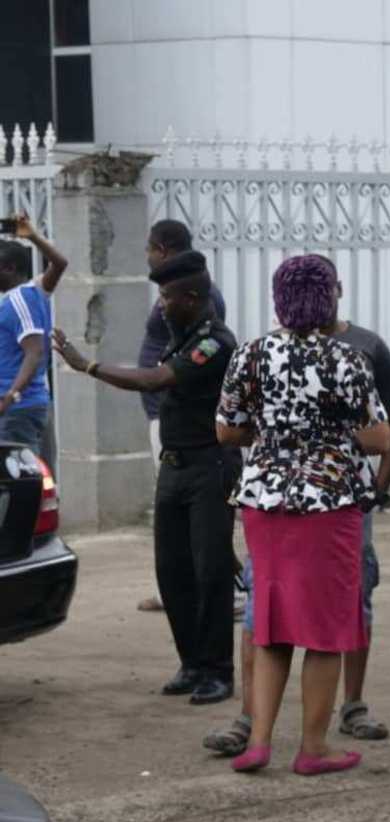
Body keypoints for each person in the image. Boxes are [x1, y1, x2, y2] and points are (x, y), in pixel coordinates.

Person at [202, 257, 390, 755]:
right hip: (329, 503)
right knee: (326, 630)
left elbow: (226, 431)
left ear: (278, 300)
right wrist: (328, 435)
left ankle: (259, 743)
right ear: (330, 298)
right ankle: (313, 750)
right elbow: (380, 438)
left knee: (269, 623)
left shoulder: (250, 354)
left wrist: (274, 434)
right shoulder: (346, 358)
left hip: (265, 505)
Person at [53, 251, 238, 705]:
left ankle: (217, 671)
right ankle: (191, 662)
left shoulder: (214, 342)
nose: (160, 305)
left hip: (209, 468)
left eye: (168, 296)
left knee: (210, 571)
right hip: (175, 468)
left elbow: (156, 380)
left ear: (192, 298)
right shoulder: (184, 334)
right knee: (172, 571)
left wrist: (88, 366)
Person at [136, 220, 227, 613]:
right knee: (174, 528)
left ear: (164, 248)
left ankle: (224, 589)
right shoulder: (174, 294)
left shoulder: (204, 306)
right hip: (167, 419)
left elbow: (176, 368)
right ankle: (177, 588)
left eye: (150, 248)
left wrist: (89, 366)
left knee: (201, 532)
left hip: (193, 438)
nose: (162, 303)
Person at [0, 214, 69, 455]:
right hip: (33, 404)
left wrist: (12, 395)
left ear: (8, 268)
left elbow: (35, 351)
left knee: (18, 481)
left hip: (16, 408)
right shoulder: (34, 291)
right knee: (36, 478)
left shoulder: (18, 300)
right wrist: (32, 236)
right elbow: (60, 263)